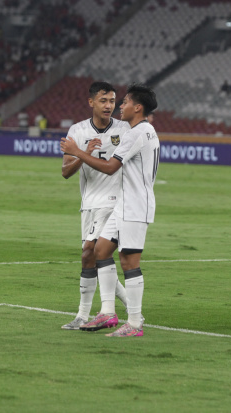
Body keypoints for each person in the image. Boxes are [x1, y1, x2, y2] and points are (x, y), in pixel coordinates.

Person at [60, 84, 160, 337]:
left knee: (128, 261)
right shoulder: (139, 130)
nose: (117, 106)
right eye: (108, 100)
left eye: (122, 102)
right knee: (100, 250)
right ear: (91, 102)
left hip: (133, 204)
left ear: (137, 107)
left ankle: (134, 322)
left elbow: (110, 167)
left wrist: (78, 152)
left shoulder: (135, 132)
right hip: (119, 203)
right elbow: (66, 171)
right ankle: (107, 312)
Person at [59, 81, 130, 330]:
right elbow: (66, 172)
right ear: (91, 102)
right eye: (103, 101)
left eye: (112, 101)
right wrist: (82, 153)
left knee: (90, 251)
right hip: (89, 204)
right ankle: (133, 307)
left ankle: (83, 315)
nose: (109, 105)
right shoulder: (77, 130)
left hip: (114, 202)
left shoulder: (124, 128)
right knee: (94, 258)